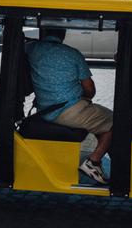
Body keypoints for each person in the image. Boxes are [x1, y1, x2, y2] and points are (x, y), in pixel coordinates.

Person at [25, 28, 113, 185]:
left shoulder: (31, 48)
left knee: (101, 120)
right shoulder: (73, 54)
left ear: (43, 31)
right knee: (115, 121)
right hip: (70, 111)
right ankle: (93, 163)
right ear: (63, 34)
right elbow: (90, 89)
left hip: (44, 112)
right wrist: (85, 98)